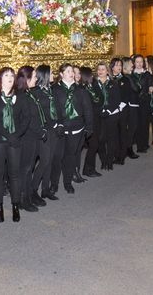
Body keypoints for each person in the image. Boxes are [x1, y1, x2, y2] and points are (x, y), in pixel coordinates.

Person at [0, 67, 29, 222]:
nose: (10, 78)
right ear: (0, 79)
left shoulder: (21, 96)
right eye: (6, 75)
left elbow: (26, 118)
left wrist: (15, 136)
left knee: (15, 174)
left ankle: (15, 206)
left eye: (12, 75)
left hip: (15, 140)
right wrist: (8, 135)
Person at [52, 63, 93, 195]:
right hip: (61, 129)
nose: (71, 73)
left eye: (72, 71)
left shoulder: (80, 90)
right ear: (61, 74)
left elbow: (87, 109)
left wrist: (89, 126)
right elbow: (53, 110)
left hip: (77, 128)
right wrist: (58, 124)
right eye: (68, 71)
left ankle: (68, 182)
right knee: (57, 157)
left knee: (70, 157)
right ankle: (53, 184)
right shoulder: (55, 90)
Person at [16, 66, 45, 212]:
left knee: (29, 168)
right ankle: (22, 199)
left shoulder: (29, 93)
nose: (36, 79)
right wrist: (41, 132)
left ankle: (27, 197)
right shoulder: (21, 96)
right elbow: (28, 120)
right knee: (25, 169)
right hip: (27, 138)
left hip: (32, 137)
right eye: (34, 76)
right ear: (26, 79)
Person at [31, 65, 61, 203]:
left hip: (54, 129)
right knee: (44, 161)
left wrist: (58, 123)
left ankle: (45, 189)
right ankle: (32, 189)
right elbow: (38, 114)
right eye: (51, 72)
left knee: (49, 161)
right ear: (45, 75)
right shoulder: (36, 92)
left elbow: (56, 108)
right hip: (44, 130)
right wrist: (52, 124)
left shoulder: (51, 90)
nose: (54, 74)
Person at [79, 67, 103, 178]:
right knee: (93, 145)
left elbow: (101, 98)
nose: (93, 76)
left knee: (95, 144)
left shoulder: (93, 86)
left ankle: (88, 168)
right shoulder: (82, 89)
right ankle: (88, 169)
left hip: (96, 118)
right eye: (90, 75)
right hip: (89, 120)